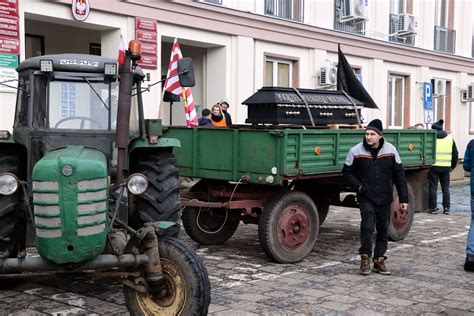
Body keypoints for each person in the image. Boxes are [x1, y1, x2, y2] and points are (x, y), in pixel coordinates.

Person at [343, 119, 408, 275]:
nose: (368, 137)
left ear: (380, 135)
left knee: (383, 229)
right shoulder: (356, 151)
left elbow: (400, 176)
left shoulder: (391, 150)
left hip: (385, 198)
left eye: (372, 134)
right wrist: (359, 186)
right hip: (366, 196)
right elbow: (346, 172)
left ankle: (379, 260)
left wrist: (404, 200)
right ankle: (365, 257)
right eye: (366, 134)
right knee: (367, 226)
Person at [428, 119, 458, 215]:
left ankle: (433, 208)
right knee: (445, 188)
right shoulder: (450, 139)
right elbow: (455, 154)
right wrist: (452, 166)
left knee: (433, 188)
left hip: (434, 167)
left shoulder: (431, 138)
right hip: (446, 168)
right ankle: (446, 208)